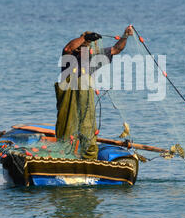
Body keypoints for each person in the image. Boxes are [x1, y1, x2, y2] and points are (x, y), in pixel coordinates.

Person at [55, 25, 134, 160]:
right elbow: (68, 48)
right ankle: (64, 153)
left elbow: (116, 49)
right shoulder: (69, 58)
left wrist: (125, 35)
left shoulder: (94, 59)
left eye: (87, 48)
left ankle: (88, 155)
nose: (84, 51)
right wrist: (84, 38)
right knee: (67, 129)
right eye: (81, 48)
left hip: (85, 103)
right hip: (69, 103)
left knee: (88, 128)